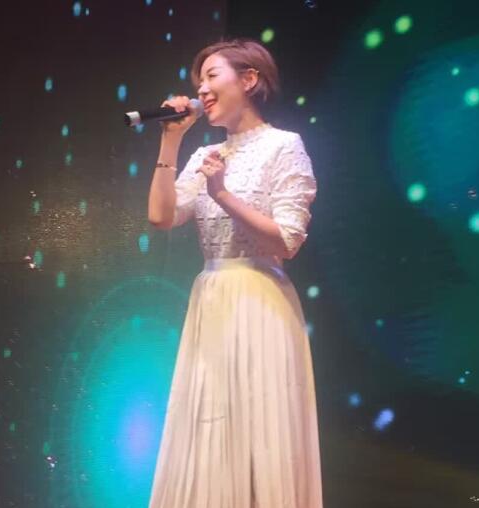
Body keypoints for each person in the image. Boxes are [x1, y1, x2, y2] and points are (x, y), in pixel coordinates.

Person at [147, 38, 323, 507]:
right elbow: (161, 216)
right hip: (211, 298)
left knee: (259, 430)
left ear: (248, 79)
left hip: (260, 298)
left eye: (211, 76)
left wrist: (223, 194)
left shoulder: (284, 145)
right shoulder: (205, 154)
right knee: (209, 427)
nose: (201, 90)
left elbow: (287, 241)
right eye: (198, 82)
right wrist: (171, 138)